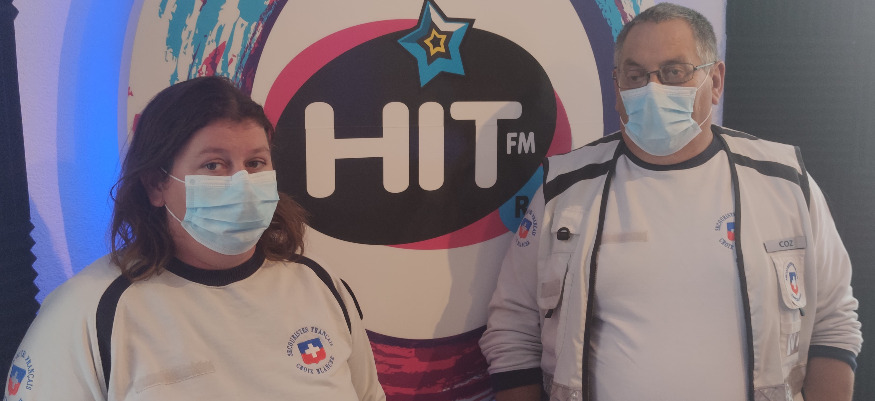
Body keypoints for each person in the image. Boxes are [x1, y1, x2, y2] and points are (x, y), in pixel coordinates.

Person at [479, 3, 862, 401]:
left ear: (715, 80)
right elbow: (512, 329)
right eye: (635, 75)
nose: (652, 89)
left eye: (674, 72)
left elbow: (833, 322)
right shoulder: (563, 187)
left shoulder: (784, 182)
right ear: (617, 87)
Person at [3, 76, 386, 400]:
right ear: (156, 185)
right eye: (214, 164)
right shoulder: (89, 311)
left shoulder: (318, 284)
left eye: (255, 162)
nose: (242, 183)